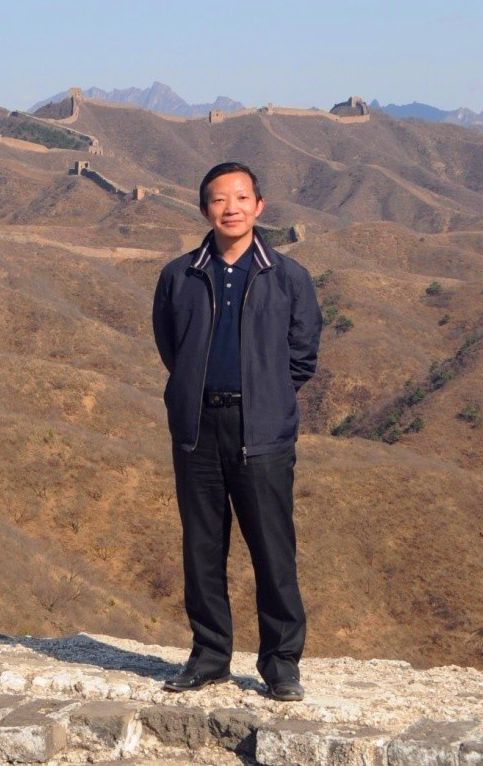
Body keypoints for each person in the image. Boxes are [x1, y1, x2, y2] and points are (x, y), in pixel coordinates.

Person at [152, 162, 322, 701]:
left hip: (263, 431)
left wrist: (266, 394)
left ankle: (281, 663)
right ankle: (209, 657)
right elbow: (171, 347)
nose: (232, 208)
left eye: (242, 198)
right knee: (202, 547)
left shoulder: (288, 277)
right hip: (197, 428)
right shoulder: (179, 275)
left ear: (259, 206)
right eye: (220, 199)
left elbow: (302, 356)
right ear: (205, 209)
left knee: (273, 550)